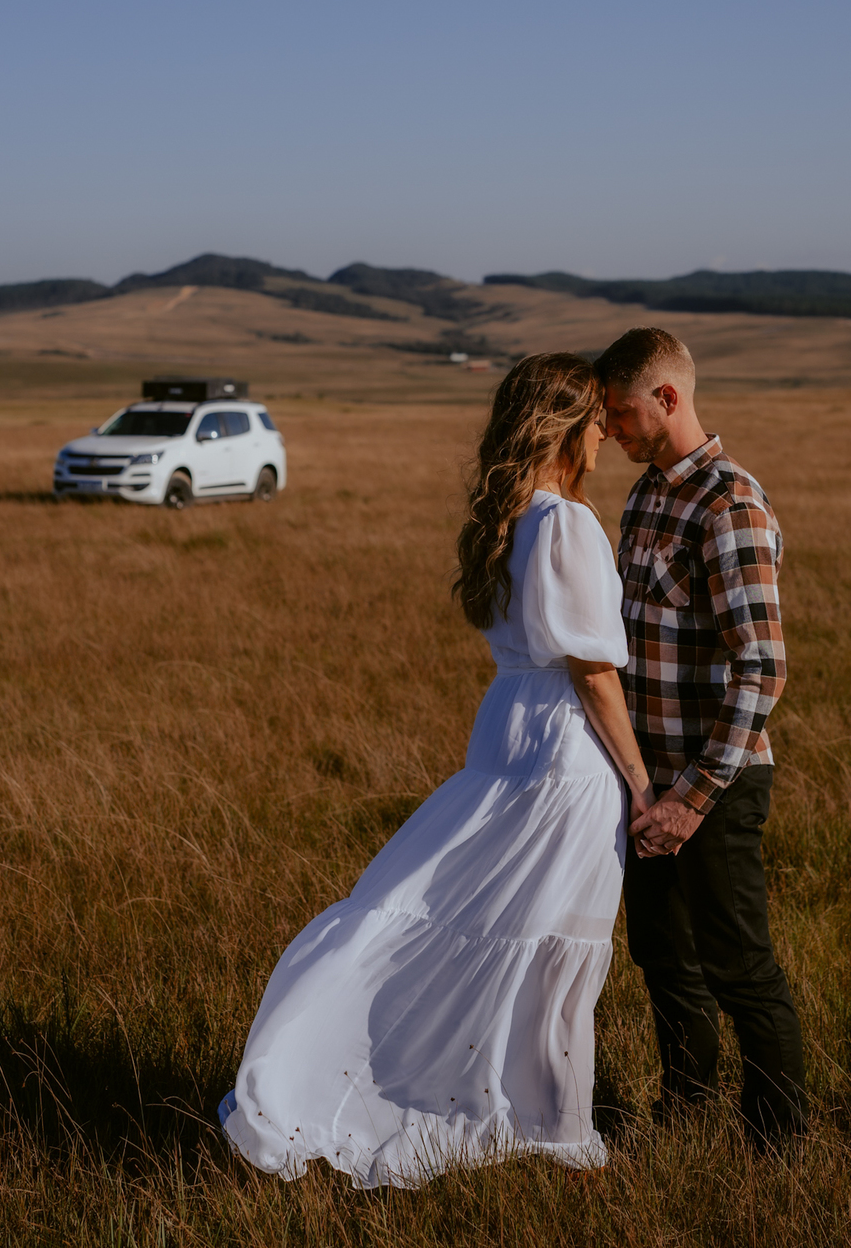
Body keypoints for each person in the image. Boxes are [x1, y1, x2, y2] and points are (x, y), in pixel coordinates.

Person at [218, 353, 656, 1188]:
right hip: (565, 751)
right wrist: (640, 782)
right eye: (596, 416)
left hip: (507, 735)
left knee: (486, 920)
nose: (607, 430)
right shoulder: (566, 523)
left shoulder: (510, 520)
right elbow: (593, 672)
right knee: (550, 937)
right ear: (561, 425)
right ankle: (548, 1127)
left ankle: (512, 1105)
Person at [594, 327, 806, 1148]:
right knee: (661, 958)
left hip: (715, 785)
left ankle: (777, 1143)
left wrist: (691, 801)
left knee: (740, 967)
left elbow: (762, 670)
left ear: (668, 398)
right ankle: (683, 1111)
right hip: (649, 781)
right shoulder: (647, 495)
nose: (611, 430)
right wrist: (648, 787)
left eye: (620, 413)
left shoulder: (730, 504)